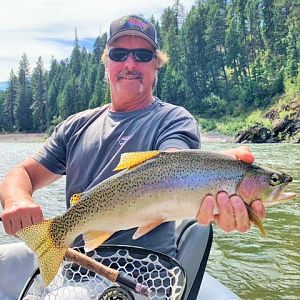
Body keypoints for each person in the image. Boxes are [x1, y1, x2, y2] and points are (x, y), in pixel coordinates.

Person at [0, 14, 265, 299]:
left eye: (142, 54)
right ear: (106, 65)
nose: (130, 63)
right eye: (119, 54)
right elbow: (22, 174)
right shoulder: (75, 126)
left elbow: (174, 159)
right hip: (76, 262)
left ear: (156, 66)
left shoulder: (173, 120)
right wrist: (17, 198)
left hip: (147, 273)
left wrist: (215, 170)